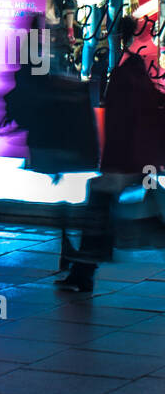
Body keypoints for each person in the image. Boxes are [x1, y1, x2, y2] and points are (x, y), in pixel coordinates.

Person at [58, 16, 165, 294]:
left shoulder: (123, 75)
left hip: (127, 160)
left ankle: (85, 269)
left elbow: (121, 125)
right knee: (102, 203)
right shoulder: (136, 71)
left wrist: (112, 164)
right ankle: (84, 268)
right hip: (138, 159)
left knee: (98, 201)